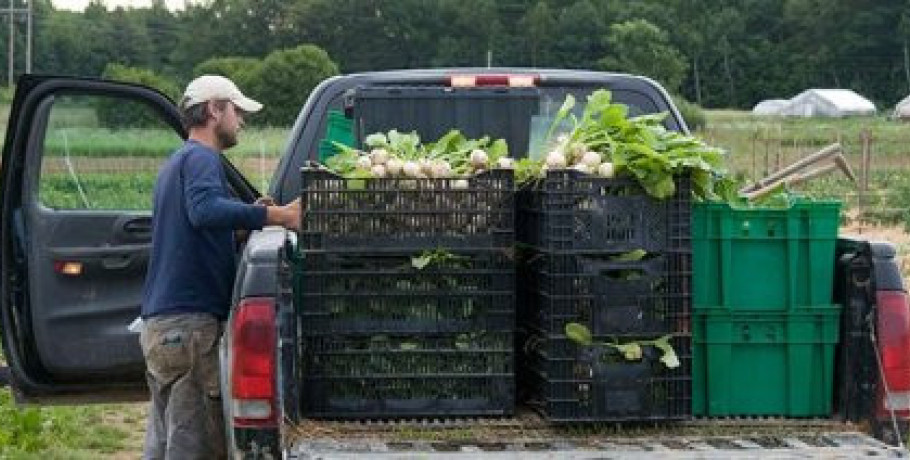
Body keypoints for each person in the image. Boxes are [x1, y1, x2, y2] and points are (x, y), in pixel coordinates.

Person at [139, 75, 300, 459]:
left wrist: (246, 222)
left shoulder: (178, 162)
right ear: (214, 109)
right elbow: (204, 211)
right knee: (195, 446)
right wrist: (278, 216)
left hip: (166, 329)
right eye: (236, 111)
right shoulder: (201, 157)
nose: (241, 120)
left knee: (165, 445)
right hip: (190, 330)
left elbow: (200, 228)